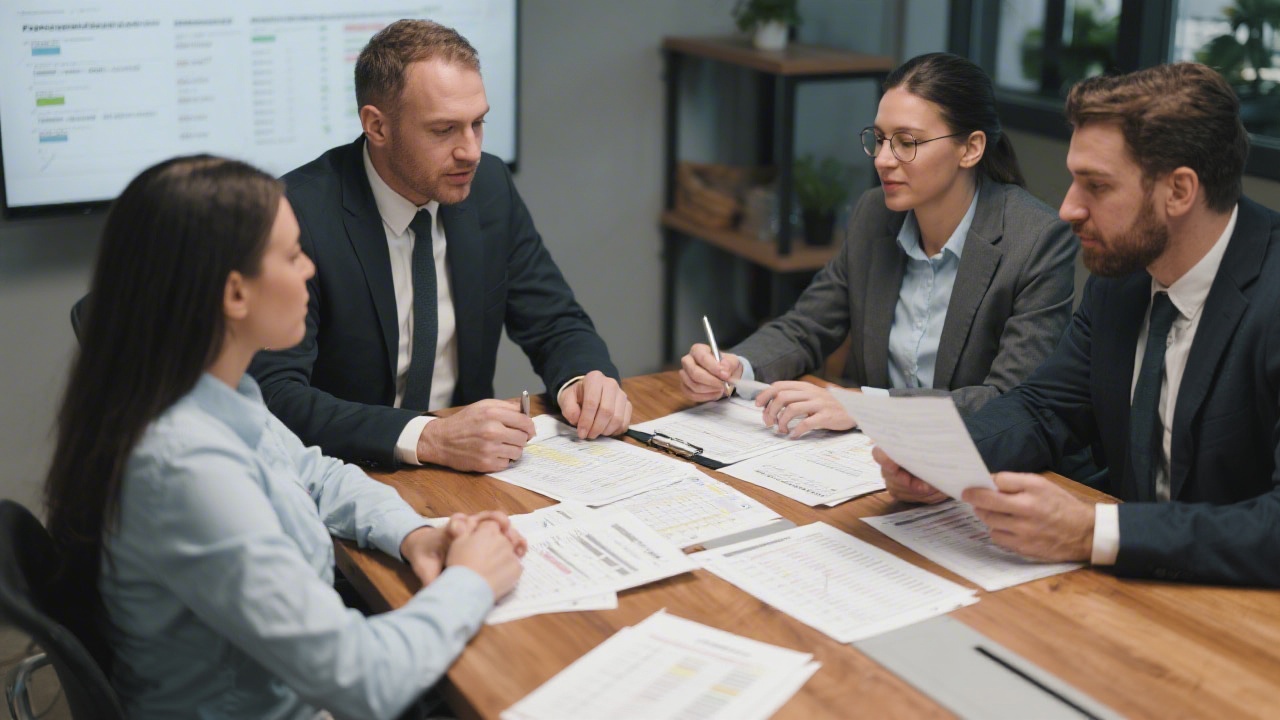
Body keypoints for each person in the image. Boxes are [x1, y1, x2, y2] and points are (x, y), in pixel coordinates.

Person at [44, 156, 528, 719]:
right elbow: (362, 680)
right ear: (234, 295)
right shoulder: (187, 469)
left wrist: (416, 536)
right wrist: (471, 579)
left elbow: (316, 473)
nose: (310, 270)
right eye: (295, 255)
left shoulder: (208, 391)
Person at [875, 63, 1280, 587]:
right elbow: (1046, 408)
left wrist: (1094, 531)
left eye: (1097, 186)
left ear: (1179, 191)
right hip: (1127, 596)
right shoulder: (1123, 279)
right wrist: (947, 459)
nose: (1068, 208)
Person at [249, 20, 630, 472]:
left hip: (469, 469)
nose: (470, 150)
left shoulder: (488, 186)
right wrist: (428, 437)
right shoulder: (295, 215)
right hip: (343, 470)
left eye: (478, 123)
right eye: (444, 129)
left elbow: (555, 321)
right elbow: (275, 395)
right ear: (377, 126)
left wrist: (584, 381)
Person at [679, 53, 1076, 437]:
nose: (883, 160)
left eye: (907, 142)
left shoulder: (1036, 240)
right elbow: (807, 326)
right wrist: (735, 366)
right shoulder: (875, 214)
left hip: (980, 468)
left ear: (970, 148)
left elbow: (1010, 401)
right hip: (871, 459)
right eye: (880, 139)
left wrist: (864, 408)